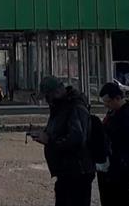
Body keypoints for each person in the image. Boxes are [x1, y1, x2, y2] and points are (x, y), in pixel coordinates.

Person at [30, 76, 95, 206]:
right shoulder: (61, 106)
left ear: (57, 92)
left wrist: (49, 140)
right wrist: (46, 133)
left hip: (77, 171)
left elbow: (76, 139)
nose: (47, 101)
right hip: (66, 171)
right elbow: (61, 129)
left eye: (48, 96)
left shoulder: (74, 106)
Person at [96, 82, 129, 206]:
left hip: (120, 171)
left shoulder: (128, 117)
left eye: (108, 102)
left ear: (117, 98)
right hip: (110, 169)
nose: (106, 105)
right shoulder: (114, 112)